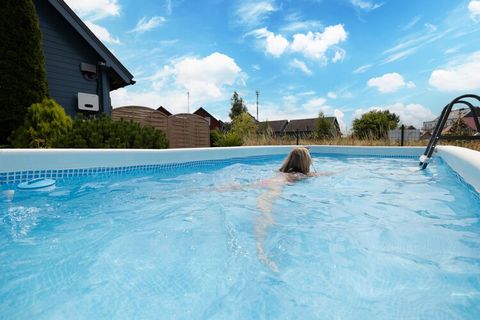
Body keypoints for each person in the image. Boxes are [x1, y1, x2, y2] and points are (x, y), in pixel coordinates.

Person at [255, 147, 322, 272]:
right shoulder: (299, 175)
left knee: (264, 209)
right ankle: (260, 251)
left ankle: (260, 248)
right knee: (265, 213)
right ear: (304, 162)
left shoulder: (281, 172)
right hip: (279, 184)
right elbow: (318, 175)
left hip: (269, 182)